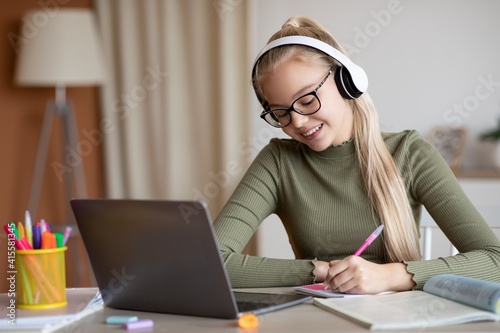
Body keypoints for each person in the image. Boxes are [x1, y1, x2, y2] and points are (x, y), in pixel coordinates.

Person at [213, 16, 500, 294]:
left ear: (346, 81)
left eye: (307, 99)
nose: (297, 122)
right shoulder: (278, 162)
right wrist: (324, 272)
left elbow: (495, 260)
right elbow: (213, 262)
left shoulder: (410, 153)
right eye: (280, 112)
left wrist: (390, 276)